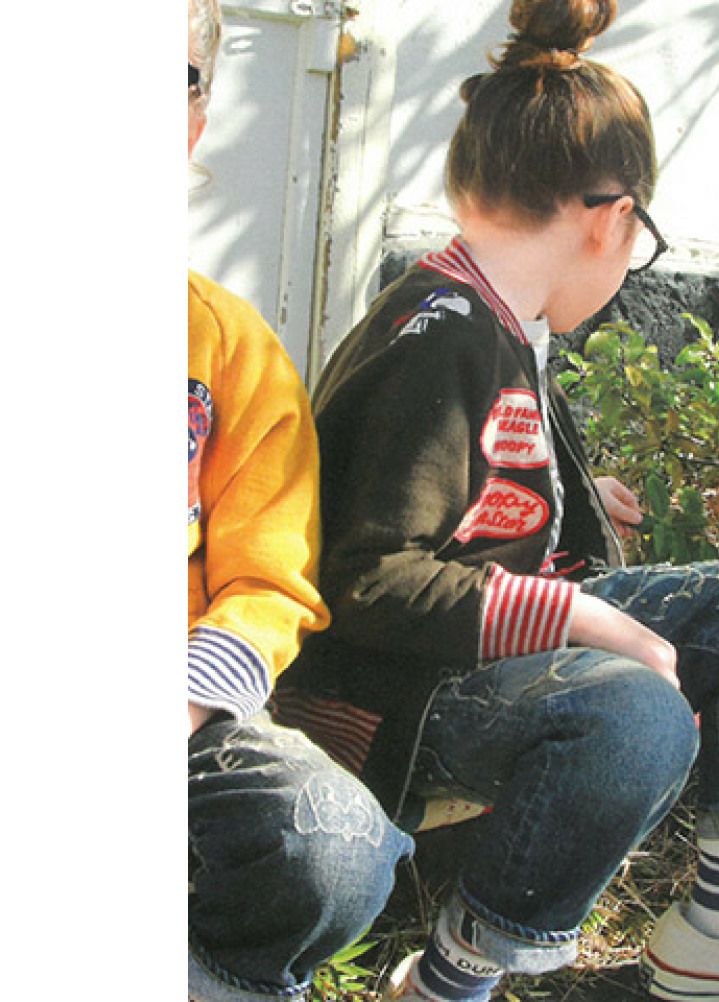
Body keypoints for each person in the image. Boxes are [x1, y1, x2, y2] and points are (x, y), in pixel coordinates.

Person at [272, 1, 719, 999]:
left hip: (471, 659)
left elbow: (456, 489)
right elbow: (370, 576)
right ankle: (450, 980)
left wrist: (569, 493)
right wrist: (584, 615)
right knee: (636, 717)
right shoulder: (439, 339)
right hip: (396, 693)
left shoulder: (492, 314)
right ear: (612, 218)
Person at [187, 2, 413, 999]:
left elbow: (269, 582)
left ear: (196, 119)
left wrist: (183, 703)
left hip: (179, 714)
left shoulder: (230, 347)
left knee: (335, 840)